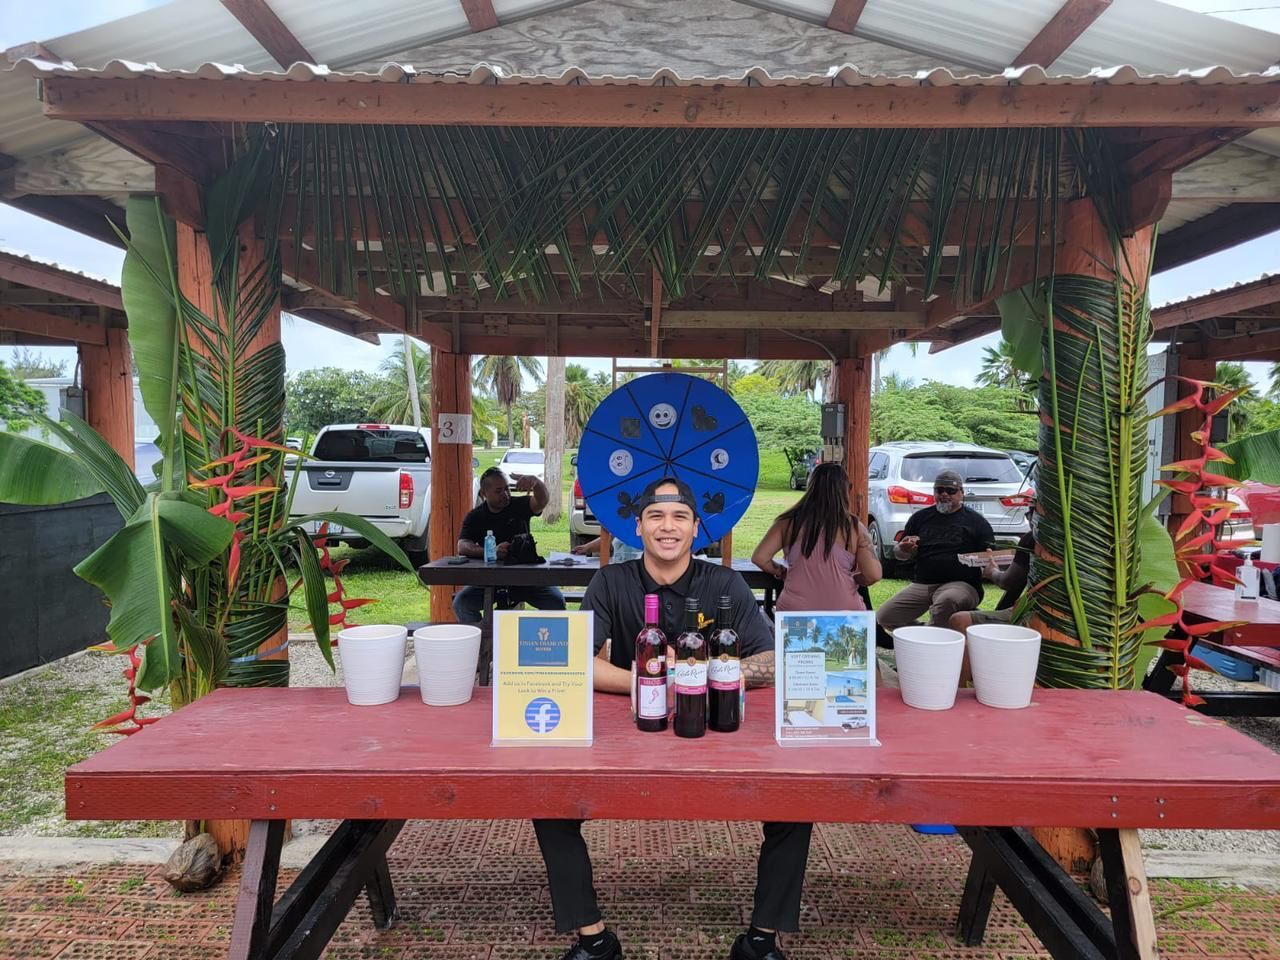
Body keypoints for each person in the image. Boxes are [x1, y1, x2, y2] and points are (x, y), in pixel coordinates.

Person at [535, 476, 810, 960]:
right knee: (548, 792)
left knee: (798, 798)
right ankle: (593, 937)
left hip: (717, 729)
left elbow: (771, 659)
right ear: (637, 527)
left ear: (696, 528)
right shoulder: (611, 582)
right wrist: (651, 681)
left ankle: (762, 939)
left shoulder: (723, 583)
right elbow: (574, 658)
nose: (668, 527)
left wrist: (699, 675)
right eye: (656, 517)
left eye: (680, 517)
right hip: (628, 732)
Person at [875, 469, 995, 633]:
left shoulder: (976, 521)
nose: (944, 494)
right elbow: (900, 554)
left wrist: (987, 565)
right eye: (939, 490)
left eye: (950, 491)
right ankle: (928, 633)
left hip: (962, 584)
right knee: (886, 616)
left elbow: (989, 556)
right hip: (924, 583)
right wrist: (903, 549)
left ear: (961, 493)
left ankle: (936, 638)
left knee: (946, 602)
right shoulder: (920, 518)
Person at [751, 462, 882, 612]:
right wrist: (854, 579)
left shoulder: (786, 522)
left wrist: (782, 572)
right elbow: (874, 574)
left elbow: (759, 557)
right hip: (844, 612)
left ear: (810, 487)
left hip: (795, 612)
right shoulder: (853, 527)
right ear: (846, 490)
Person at [453, 466, 565, 623]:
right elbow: (462, 546)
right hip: (489, 581)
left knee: (555, 602)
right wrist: (490, 551)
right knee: (462, 604)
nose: (505, 495)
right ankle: (484, 642)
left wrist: (535, 482)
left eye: (507, 489)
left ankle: (539, 642)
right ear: (484, 494)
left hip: (527, 578)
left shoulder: (519, 505)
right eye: (498, 491)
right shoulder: (475, 516)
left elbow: (542, 501)